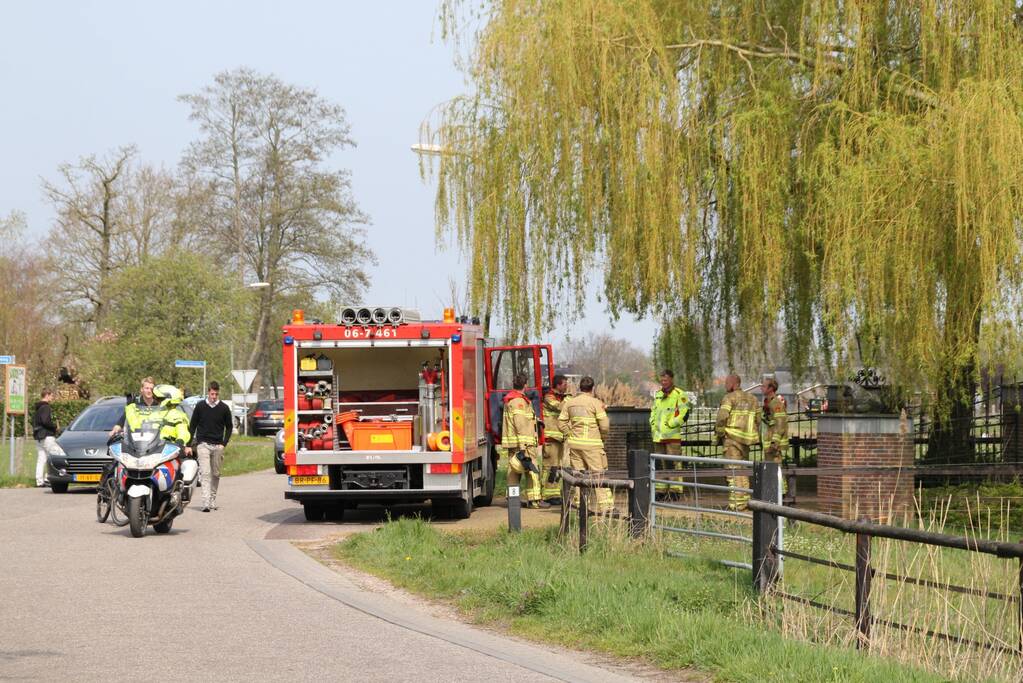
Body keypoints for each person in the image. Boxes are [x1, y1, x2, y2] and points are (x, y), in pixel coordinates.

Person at [558, 375, 613, 514]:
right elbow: (605, 425)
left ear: (580, 388)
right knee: (598, 475)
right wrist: (602, 437)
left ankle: (581, 505)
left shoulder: (570, 403)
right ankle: (606, 507)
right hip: (593, 446)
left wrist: (570, 434)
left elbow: (561, 423)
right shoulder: (596, 403)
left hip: (575, 445)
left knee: (578, 476)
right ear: (592, 388)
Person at [500, 373, 548, 509]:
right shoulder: (519, 402)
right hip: (524, 443)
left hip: (514, 442)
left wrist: (536, 421)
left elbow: (521, 421)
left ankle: (512, 499)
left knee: (513, 470)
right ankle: (534, 500)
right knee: (531, 470)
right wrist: (524, 446)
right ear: (525, 384)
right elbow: (520, 424)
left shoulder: (512, 399)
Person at [715, 374, 761, 511]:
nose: (725, 385)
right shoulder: (753, 399)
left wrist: (719, 432)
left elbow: (722, 417)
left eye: (727, 382)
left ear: (734, 384)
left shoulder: (729, 398)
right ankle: (745, 503)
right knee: (743, 471)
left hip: (732, 439)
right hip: (746, 440)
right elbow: (758, 419)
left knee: (733, 471)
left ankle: (736, 505)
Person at [188, 381, 233, 512]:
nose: (214, 396)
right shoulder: (200, 406)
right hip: (203, 445)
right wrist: (189, 444)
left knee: (216, 474)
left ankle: (212, 498)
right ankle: (205, 502)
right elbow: (192, 426)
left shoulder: (224, 408)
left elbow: (229, 427)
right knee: (206, 473)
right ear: (208, 392)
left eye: (216, 394)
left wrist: (224, 443)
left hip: (218, 445)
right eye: (212, 394)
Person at [649, 369, 690, 499]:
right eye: (661, 380)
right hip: (658, 436)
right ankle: (661, 489)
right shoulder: (658, 394)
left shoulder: (680, 394)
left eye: (665, 380)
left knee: (674, 463)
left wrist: (670, 424)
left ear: (671, 379)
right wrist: (652, 423)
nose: (663, 382)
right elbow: (654, 411)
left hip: (671, 436)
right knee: (660, 463)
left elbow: (684, 414)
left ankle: (675, 490)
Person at [540, 374, 569, 505]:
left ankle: (554, 494)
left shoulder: (562, 398)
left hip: (559, 438)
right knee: (549, 467)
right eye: (564, 384)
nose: (566, 386)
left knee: (557, 468)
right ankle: (546, 495)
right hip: (550, 438)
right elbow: (560, 407)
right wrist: (570, 401)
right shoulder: (549, 397)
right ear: (558, 385)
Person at [762, 377, 789, 495]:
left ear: (771, 388)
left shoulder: (776, 403)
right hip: (769, 444)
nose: (761, 388)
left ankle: (781, 494)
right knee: (771, 469)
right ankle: (775, 492)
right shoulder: (768, 402)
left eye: (764, 386)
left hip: (774, 445)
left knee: (776, 468)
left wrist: (775, 442)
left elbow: (780, 422)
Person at [32, 388, 59, 488]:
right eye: (51, 395)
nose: (52, 397)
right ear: (47, 395)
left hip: (39, 436)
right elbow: (45, 421)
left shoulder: (38, 407)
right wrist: (54, 427)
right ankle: (49, 478)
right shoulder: (46, 407)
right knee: (53, 456)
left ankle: (39, 481)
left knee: (41, 458)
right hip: (47, 435)